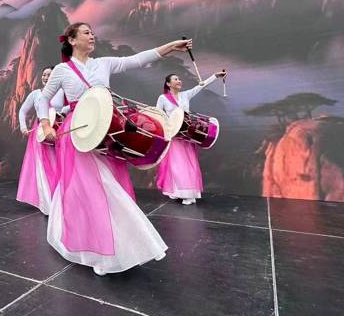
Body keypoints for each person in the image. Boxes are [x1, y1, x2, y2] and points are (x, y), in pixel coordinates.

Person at [37, 22, 192, 275]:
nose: (92, 36)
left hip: (106, 129)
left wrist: (170, 47)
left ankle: (114, 246)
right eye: (86, 32)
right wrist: (46, 123)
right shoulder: (62, 71)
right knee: (88, 188)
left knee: (109, 186)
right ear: (72, 40)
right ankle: (97, 250)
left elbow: (138, 60)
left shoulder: (104, 64)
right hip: (78, 133)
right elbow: (43, 99)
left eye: (92, 32)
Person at [156, 71, 226, 205]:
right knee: (176, 166)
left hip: (187, 136)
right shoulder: (163, 98)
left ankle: (189, 195)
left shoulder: (185, 95)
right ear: (168, 84)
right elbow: (158, 115)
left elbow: (201, 86)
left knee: (187, 164)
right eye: (176, 79)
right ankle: (177, 192)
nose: (179, 81)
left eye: (179, 79)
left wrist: (215, 76)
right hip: (174, 136)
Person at [17, 67, 67, 215]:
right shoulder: (35, 94)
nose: (45, 77)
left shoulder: (62, 91)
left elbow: (70, 106)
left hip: (59, 130)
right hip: (40, 132)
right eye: (44, 74)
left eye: (49, 74)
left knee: (60, 165)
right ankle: (48, 205)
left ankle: (62, 202)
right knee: (43, 168)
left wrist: (61, 111)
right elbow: (22, 111)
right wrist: (23, 127)